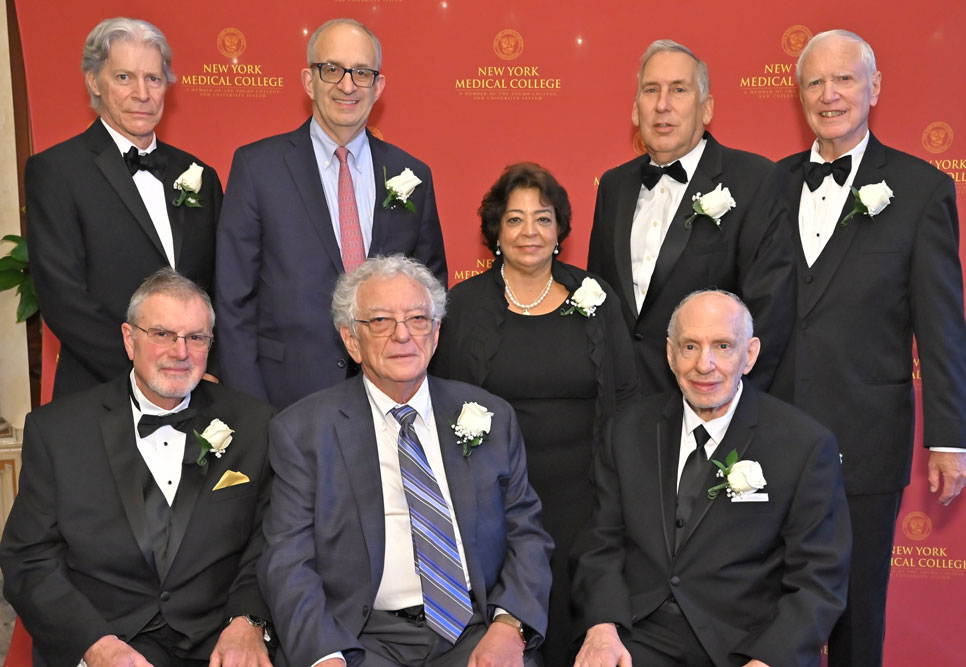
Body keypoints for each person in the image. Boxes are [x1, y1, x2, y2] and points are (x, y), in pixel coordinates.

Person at [771, 29, 966, 667]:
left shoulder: (920, 189)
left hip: (864, 440)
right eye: (814, 82)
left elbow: (941, 323)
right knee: (763, 611)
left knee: (857, 616)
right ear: (799, 93)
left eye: (845, 79)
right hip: (763, 437)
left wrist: (949, 438)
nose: (829, 95)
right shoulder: (765, 187)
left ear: (875, 88)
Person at [259, 256, 552, 667]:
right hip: (360, 638)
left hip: (474, 631)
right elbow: (288, 561)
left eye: (417, 319)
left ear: (434, 335)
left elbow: (527, 533)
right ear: (350, 340)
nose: (402, 335)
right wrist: (324, 655)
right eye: (380, 321)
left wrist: (510, 626)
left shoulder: (491, 415)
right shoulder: (303, 432)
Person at [0, 268, 273, 667]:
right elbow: (28, 559)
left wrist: (248, 622)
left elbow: (271, 540)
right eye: (162, 334)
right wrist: (96, 646)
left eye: (196, 338)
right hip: (105, 643)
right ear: (130, 340)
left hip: (219, 645)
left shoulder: (255, 424)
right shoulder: (58, 430)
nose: (181, 352)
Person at [572, 290, 850, 667]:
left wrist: (770, 659)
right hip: (640, 636)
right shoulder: (627, 432)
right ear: (670, 354)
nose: (705, 365)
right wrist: (602, 627)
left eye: (722, 346)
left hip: (746, 645)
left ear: (749, 355)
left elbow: (819, 579)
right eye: (690, 346)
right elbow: (599, 543)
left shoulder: (803, 445)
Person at [431, 162, 639, 665]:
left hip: (585, 498)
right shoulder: (462, 305)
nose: (530, 232)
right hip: (495, 502)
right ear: (496, 232)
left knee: (577, 631)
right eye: (515, 219)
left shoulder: (595, 298)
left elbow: (627, 395)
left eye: (542, 219)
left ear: (560, 230)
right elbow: (442, 403)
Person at [215, 18, 447, 410]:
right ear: (309, 81)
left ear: (379, 86)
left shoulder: (413, 175)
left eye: (361, 72)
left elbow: (431, 293)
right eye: (332, 69)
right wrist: (249, 407)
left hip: (389, 396)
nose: (347, 84)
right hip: (284, 396)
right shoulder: (258, 167)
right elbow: (232, 298)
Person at [26, 17, 223, 398]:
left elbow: (219, 287)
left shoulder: (199, 175)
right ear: (93, 82)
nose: (142, 93)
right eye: (123, 78)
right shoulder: (56, 171)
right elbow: (63, 298)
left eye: (153, 78)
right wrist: (145, 374)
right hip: (99, 393)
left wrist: (198, 368)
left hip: (193, 392)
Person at [587, 39, 795, 397]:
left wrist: (731, 404)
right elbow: (600, 298)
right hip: (622, 408)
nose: (662, 104)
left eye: (678, 90)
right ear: (636, 110)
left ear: (707, 108)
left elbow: (768, 310)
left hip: (711, 403)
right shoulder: (613, 185)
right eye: (651, 90)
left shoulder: (754, 180)